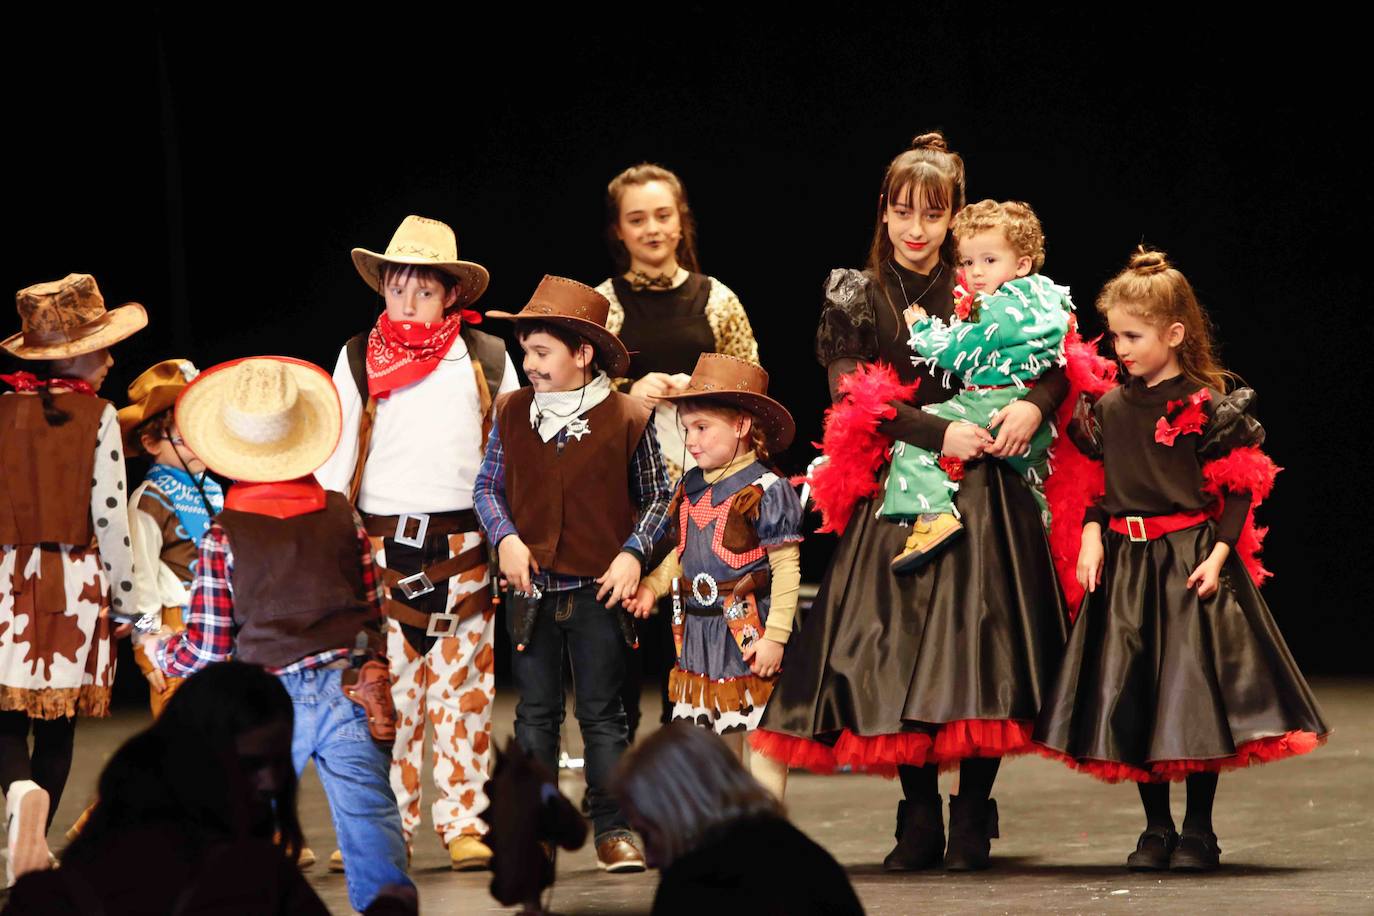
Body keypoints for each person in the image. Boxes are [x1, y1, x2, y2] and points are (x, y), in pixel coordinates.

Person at [751, 133, 1072, 872]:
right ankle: (920, 811)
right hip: (902, 484)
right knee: (897, 652)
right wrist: (938, 429)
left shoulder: (984, 276)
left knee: (980, 650)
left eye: (933, 213)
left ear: (956, 214)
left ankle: (971, 813)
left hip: (988, 483)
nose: (917, 229)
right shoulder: (858, 293)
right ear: (884, 214)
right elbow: (852, 398)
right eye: (903, 212)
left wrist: (1037, 406)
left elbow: (1060, 359)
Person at [1033, 248, 1329, 871]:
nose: (1120, 349)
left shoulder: (1205, 404)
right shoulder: (1110, 407)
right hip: (1127, 562)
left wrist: (1221, 553)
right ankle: (1156, 828)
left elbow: (1240, 484)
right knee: (1137, 690)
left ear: (1174, 333)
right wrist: (1092, 533)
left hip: (1189, 559)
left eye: (1133, 336)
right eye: (1114, 335)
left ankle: (1199, 829)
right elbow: (1099, 485)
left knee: (1190, 695)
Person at [138, 356, 415, 913]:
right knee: (369, 820)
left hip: (263, 703)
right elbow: (372, 608)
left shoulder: (225, 534)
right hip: (349, 689)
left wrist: (160, 651)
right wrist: (371, 667)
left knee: (248, 825)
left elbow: (210, 646)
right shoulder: (341, 514)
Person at [316, 215, 517, 872]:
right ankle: (388, 826)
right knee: (386, 695)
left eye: (422, 291)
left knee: (464, 693)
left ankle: (464, 820)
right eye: (397, 287)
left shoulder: (486, 358)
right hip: (380, 550)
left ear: (450, 295)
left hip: (462, 547)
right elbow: (333, 454)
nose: (407, 302)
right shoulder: (354, 358)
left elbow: (514, 453)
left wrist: (513, 538)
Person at [474, 276, 673, 873]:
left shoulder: (628, 416)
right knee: (534, 715)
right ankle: (535, 827)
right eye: (525, 352)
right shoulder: (511, 411)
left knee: (604, 715)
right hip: (530, 591)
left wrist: (634, 553)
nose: (529, 365)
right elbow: (486, 486)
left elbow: (660, 497)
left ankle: (613, 828)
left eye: (542, 352)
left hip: (598, 591)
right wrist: (505, 538)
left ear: (582, 354)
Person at [596, 162, 762, 745]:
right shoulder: (604, 305)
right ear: (619, 230)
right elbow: (567, 401)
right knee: (617, 657)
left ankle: (689, 779)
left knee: (697, 640)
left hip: (706, 497)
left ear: (680, 220)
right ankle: (618, 792)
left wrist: (696, 393)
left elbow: (751, 395)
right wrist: (626, 393)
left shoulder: (716, 301)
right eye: (637, 219)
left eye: (662, 216)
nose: (652, 229)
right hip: (627, 498)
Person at [0, 273, 145, 884]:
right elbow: (110, 516)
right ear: (71, 354)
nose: (111, 358)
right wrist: (132, 604)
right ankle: (28, 851)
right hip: (73, 581)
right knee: (57, 730)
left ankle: (17, 797)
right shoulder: (99, 417)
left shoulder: (3, 413)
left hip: (7, 578)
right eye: (101, 346)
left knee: (5, 720)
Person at [625, 354, 801, 800]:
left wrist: (776, 637)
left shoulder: (766, 489)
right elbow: (684, 556)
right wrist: (653, 586)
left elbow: (785, 568)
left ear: (741, 425)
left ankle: (765, 834)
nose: (691, 440)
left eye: (702, 428)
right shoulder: (689, 486)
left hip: (749, 632)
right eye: (686, 429)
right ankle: (726, 837)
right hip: (699, 636)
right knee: (714, 745)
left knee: (760, 734)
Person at [883, 200, 1072, 572]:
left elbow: (960, 350)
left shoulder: (1004, 308)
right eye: (968, 263)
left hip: (996, 404)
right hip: (1023, 417)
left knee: (919, 435)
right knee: (1035, 491)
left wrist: (922, 330)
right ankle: (1044, 543)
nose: (975, 272)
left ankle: (933, 515)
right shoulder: (1045, 298)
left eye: (988, 261)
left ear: (1021, 265)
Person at [613, 721, 863, 916]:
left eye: (648, 834)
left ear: (682, 807)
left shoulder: (691, 887)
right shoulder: (806, 856)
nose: (651, 858)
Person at [118, 358, 224, 716]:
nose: (197, 444)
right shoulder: (149, 500)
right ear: (150, 442)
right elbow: (139, 579)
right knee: (186, 736)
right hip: (175, 630)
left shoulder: (214, 492)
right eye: (184, 436)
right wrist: (144, 647)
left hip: (223, 624)